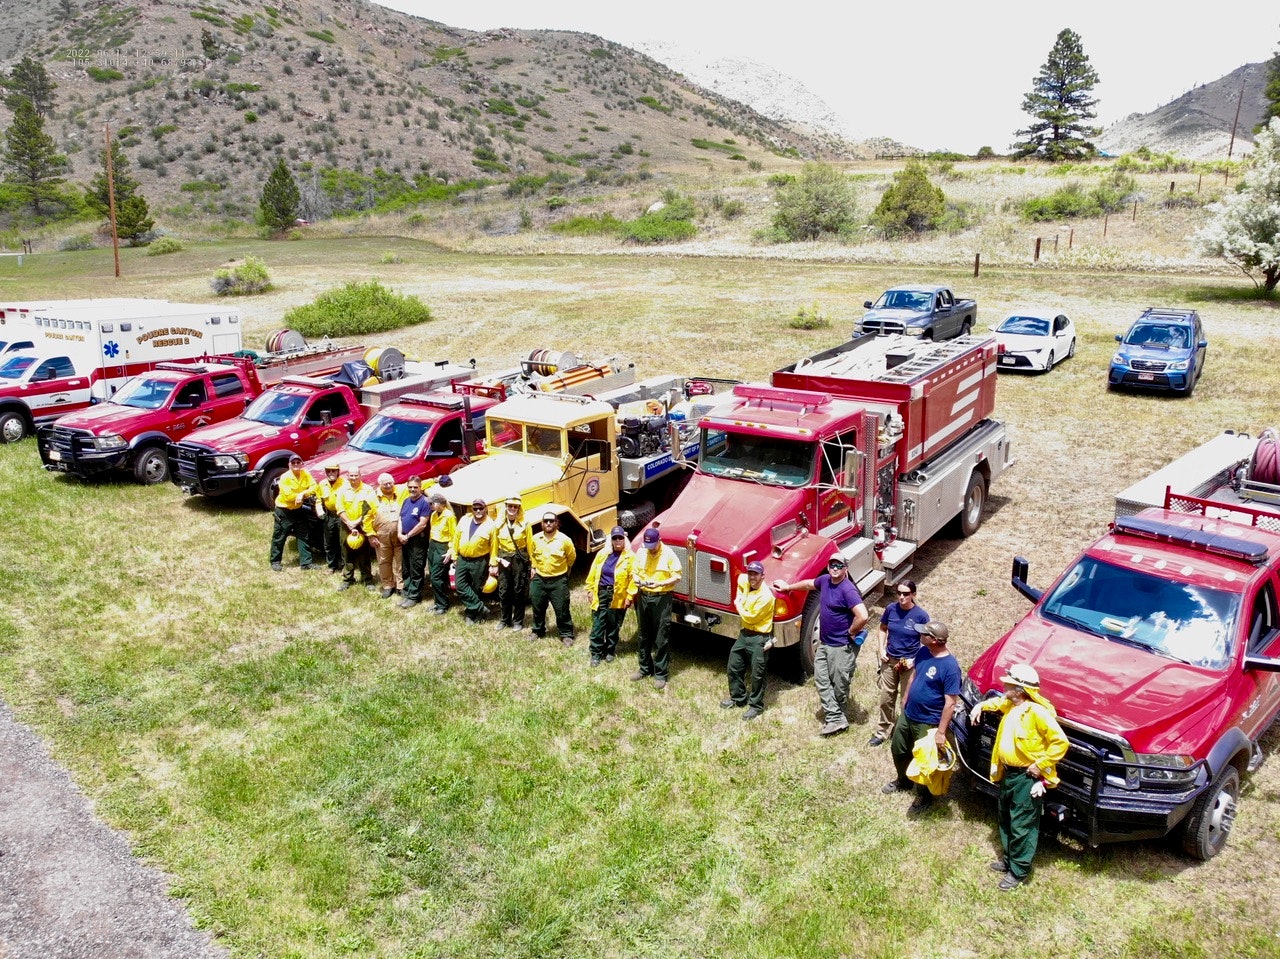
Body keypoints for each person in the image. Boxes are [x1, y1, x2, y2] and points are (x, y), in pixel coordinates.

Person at [969, 663, 1069, 891]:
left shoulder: (1037, 713)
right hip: (1010, 775)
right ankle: (1009, 859)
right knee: (1006, 816)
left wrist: (1040, 764)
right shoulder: (1011, 705)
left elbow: (1060, 743)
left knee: (1022, 822)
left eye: (1010, 684)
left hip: (1026, 777)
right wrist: (981, 706)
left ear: (1020, 690)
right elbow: (996, 702)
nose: (1004, 685)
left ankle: (1019, 870)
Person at [772, 556, 869, 736]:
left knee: (840, 682)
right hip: (825, 644)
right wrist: (788, 587)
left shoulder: (848, 590)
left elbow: (862, 615)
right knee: (821, 679)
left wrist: (851, 632)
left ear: (845, 568)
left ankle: (838, 715)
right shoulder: (825, 581)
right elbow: (809, 584)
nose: (835, 568)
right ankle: (835, 717)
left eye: (839, 565)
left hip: (842, 646)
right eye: (832, 564)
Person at [885, 621, 961, 814]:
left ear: (935, 640)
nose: (920, 635)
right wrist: (905, 697)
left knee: (924, 760)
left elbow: (950, 702)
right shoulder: (923, 652)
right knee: (899, 748)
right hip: (909, 712)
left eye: (924, 634)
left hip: (928, 720)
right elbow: (913, 675)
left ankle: (923, 795)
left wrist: (941, 732)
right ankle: (903, 781)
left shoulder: (950, 667)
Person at [870, 579, 930, 747]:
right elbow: (883, 628)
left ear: (913, 595)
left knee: (906, 700)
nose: (902, 597)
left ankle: (902, 732)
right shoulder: (891, 610)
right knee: (886, 697)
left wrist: (914, 660)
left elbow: (927, 643)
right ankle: (882, 731)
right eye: (899, 593)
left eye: (906, 594)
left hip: (908, 664)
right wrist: (881, 649)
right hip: (889, 660)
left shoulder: (921, 616)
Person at [628, 527, 682, 690]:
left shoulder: (669, 554)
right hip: (644, 596)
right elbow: (635, 571)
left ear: (659, 541)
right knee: (643, 635)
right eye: (647, 546)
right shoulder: (642, 552)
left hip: (661, 598)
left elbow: (677, 576)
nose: (650, 550)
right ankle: (644, 668)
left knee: (660, 636)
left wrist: (661, 583)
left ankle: (661, 673)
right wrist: (637, 580)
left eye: (653, 546)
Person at [721, 560, 775, 720]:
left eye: (755, 574)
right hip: (744, 634)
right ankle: (738, 698)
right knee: (733, 665)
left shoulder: (766, 597)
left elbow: (750, 618)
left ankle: (756, 706)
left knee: (757, 674)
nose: (752, 577)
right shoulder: (744, 579)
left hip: (759, 637)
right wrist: (740, 596)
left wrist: (738, 604)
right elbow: (739, 581)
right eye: (750, 573)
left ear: (762, 576)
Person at [584, 526, 635, 666]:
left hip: (617, 596)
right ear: (611, 540)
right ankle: (596, 653)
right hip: (601, 593)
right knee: (598, 624)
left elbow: (633, 579)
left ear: (624, 539)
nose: (618, 540)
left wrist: (629, 596)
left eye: (620, 538)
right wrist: (589, 590)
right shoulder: (602, 554)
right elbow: (593, 573)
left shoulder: (631, 557)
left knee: (614, 625)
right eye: (615, 538)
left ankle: (610, 651)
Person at [528, 512, 577, 643]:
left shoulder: (565, 540)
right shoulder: (535, 539)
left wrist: (565, 573)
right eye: (546, 521)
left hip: (558, 580)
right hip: (539, 579)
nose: (548, 523)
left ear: (556, 523)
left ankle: (566, 634)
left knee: (562, 608)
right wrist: (533, 567)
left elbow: (571, 557)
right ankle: (537, 630)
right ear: (542, 524)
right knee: (537, 606)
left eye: (551, 521)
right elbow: (532, 554)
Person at [269, 454, 318, 571]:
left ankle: (306, 563)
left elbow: (315, 487)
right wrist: (301, 495)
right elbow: (288, 496)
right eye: (293, 463)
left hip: (298, 509)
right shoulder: (285, 478)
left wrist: (302, 494)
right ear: (289, 465)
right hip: (284, 511)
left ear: (301, 464)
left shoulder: (305, 474)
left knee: (303, 535)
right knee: (280, 536)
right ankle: (275, 561)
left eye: (298, 462)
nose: (296, 464)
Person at [452, 499, 498, 623]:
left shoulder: (491, 525)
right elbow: (456, 537)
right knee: (460, 585)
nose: (478, 511)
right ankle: (480, 608)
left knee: (476, 588)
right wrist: (454, 555)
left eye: (481, 508)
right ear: (471, 509)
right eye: (475, 508)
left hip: (479, 561)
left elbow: (494, 546)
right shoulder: (464, 519)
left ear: (485, 508)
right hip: (462, 558)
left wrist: (493, 564)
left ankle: (471, 615)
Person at [335, 465, 376, 591]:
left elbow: (369, 507)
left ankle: (367, 579)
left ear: (360, 475)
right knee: (347, 552)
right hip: (346, 525)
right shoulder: (342, 490)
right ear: (347, 476)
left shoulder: (368, 490)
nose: (353, 478)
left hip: (363, 525)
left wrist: (357, 522)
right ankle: (348, 579)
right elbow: (340, 508)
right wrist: (349, 523)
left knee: (364, 554)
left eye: (356, 475)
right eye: (351, 475)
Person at [494, 496, 531, 631]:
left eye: (515, 506)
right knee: (503, 590)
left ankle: (518, 621)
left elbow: (530, 545)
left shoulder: (525, 524)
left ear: (519, 509)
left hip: (519, 560)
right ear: (506, 507)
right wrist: (494, 561)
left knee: (519, 589)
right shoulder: (498, 524)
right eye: (510, 506)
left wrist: (533, 565)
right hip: (503, 559)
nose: (512, 509)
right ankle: (505, 620)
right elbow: (494, 545)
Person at [368, 472, 406, 599]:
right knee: (384, 561)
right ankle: (388, 586)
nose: (389, 486)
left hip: (399, 536)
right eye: (385, 484)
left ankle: (401, 586)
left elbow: (418, 484)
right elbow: (365, 518)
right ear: (380, 485)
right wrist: (371, 535)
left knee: (400, 561)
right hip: (381, 537)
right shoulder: (372, 497)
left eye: (391, 483)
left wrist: (436, 480)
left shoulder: (401, 490)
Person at [397, 475, 432, 609]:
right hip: (404, 538)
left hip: (417, 540)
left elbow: (422, 524)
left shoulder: (424, 502)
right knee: (406, 567)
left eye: (415, 487)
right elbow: (401, 518)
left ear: (420, 487)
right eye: (410, 487)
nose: (412, 489)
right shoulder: (406, 501)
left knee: (416, 567)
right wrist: (400, 534)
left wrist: (408, 535)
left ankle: (414, 596)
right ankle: (407, 591)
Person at [427, 490, 457, 614]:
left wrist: (450, 551)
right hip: (433, 545)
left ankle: (442, 604)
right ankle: (437, 601)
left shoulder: (449, 516)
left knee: (436, 577)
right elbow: (433, 531)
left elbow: (454, 535)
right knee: (433, 574)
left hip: (443, 547)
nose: (430, 506)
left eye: (432, 503)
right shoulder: (434, 515)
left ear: (440, 504)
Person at [315, 461, 346, 573]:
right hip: (329, 516)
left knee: (343, 542)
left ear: (338, 472)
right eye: (328, 471)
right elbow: (318, 500)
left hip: (341, 515)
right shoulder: (322, 484)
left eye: (333, 470)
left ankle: (344, 566)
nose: (331, 473)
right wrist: (320, 512)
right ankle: (331, 566)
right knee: (329, 542)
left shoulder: (345, 484)